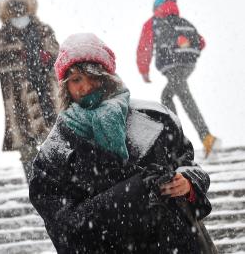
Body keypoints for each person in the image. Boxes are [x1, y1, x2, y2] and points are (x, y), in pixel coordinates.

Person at [29, 33, 217, 253]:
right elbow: (65, 227)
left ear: (108, 75)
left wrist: (187, 183)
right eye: (76, 79)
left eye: (93, 76)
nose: (86, 87)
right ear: (65, 86)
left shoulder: (157, 117)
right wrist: (136, 190)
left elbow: (190, 166)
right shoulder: (53, 154)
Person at [0, 0, 59, 183]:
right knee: (28, 154)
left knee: (56, 149)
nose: (19, 15)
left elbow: (59, 56)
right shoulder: (2, 37)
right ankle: (37, 193)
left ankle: (59, 192)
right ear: (7, 14)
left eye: (22, 10)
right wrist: (13, 57)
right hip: (20, 107)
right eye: (14, 12)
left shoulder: (43, 30)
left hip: (48, 99)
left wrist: (48, 58)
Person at [136, 0, 219, 158]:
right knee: (171, 96)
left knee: (177, 98)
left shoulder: (153, 22)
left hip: (172, 65)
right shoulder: (181, 21)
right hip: (187, 65)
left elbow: (144, 46)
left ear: (156, 7)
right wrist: (184, 50)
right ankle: (191, 138)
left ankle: (186, 140)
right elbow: (200, 41)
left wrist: (144, 70)